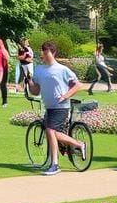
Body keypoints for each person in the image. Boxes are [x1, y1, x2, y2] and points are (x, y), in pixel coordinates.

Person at [28, 41, 86, 176]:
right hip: (49, 106)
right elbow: (36, 91)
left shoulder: (62, 69)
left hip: (61, 106)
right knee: (52, 133)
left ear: (53, 52)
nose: (43, 53)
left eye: (46, 51)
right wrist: (30, 82)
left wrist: (65, 96)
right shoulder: (39, 69)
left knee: (50, 131)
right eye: (42, 50)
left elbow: (78, 85)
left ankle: (55, 164)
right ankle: (78, 144)